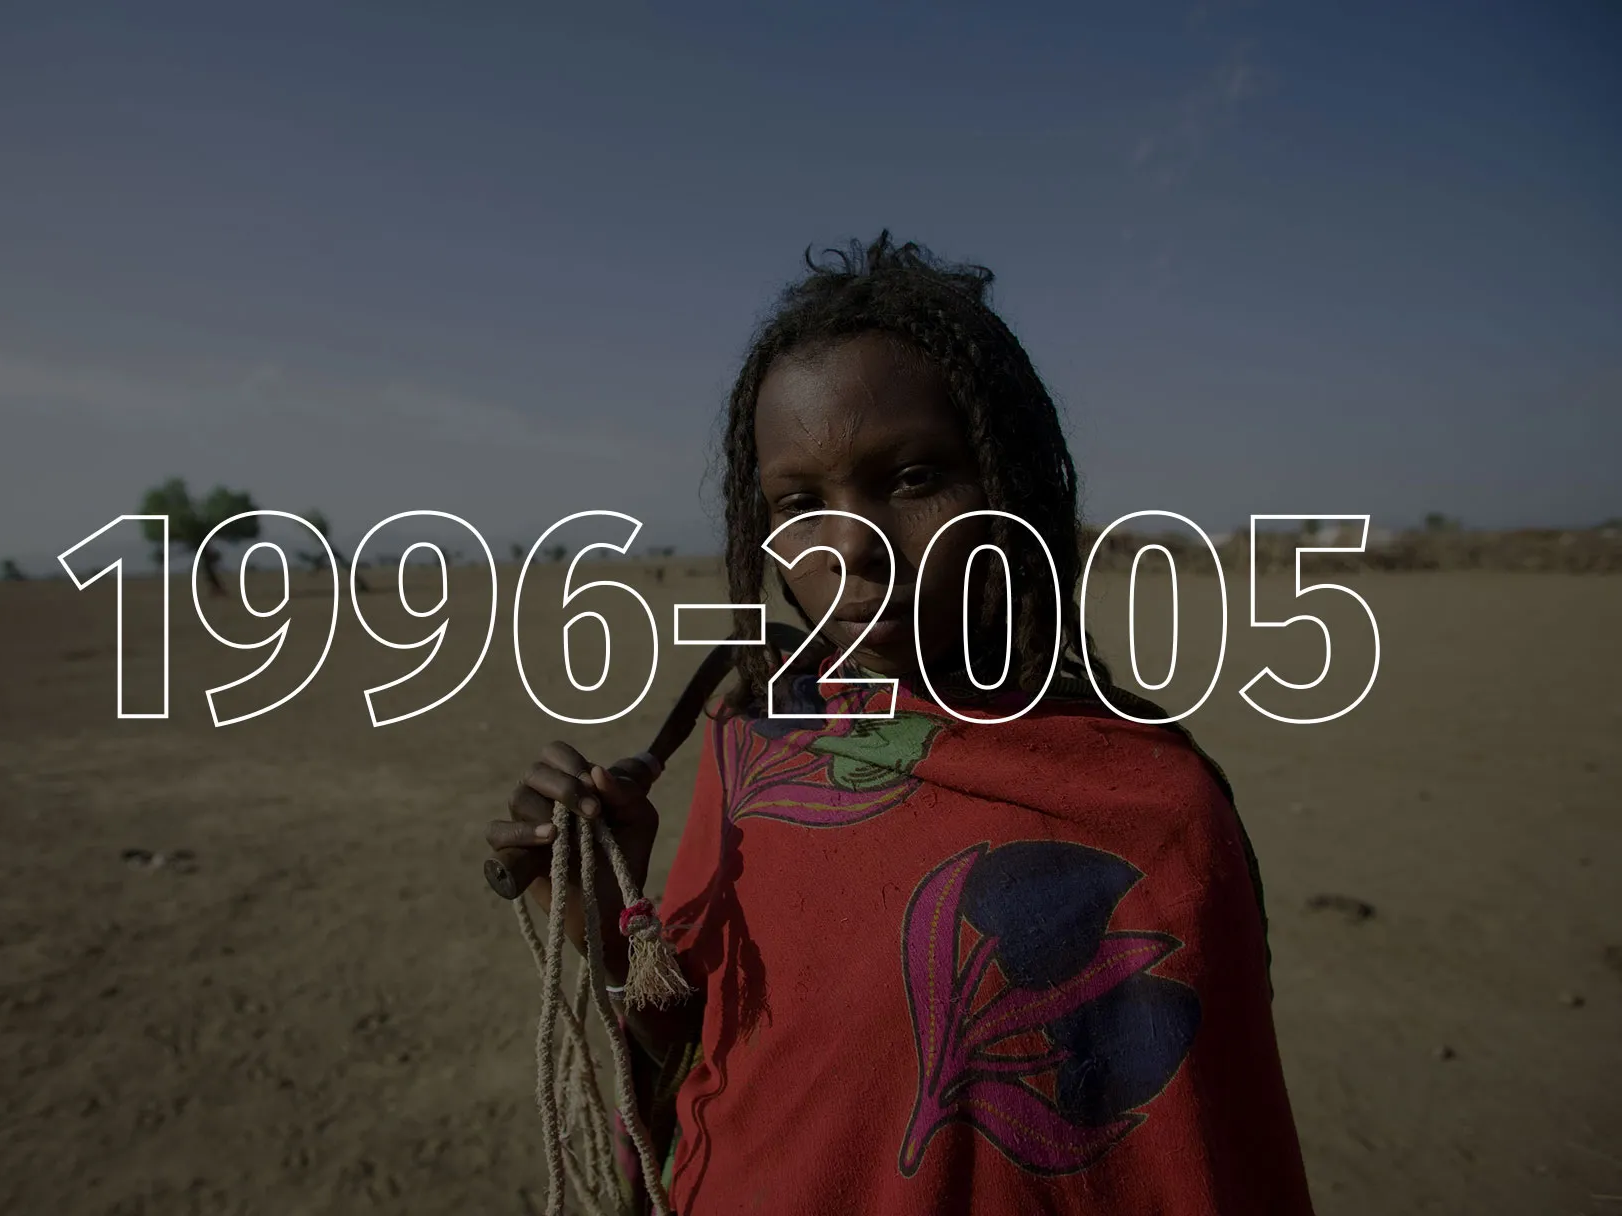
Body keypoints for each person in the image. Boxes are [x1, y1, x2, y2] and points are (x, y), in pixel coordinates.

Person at [486, 233, 1313, 1215]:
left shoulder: (1154, 812)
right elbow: (706, 1059)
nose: (850, 546)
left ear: (1018, 490)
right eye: (798, 501)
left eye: (915, 479)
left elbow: (1186, 1163)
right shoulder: (757, 741)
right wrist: (598, 920)